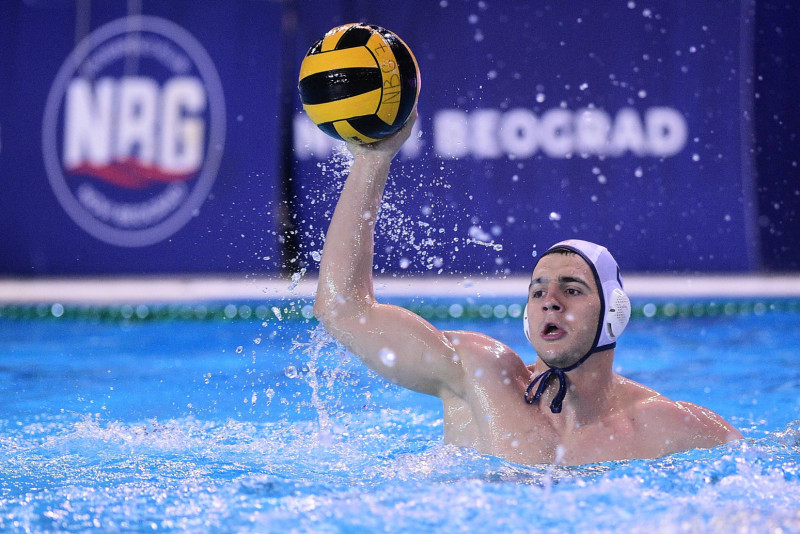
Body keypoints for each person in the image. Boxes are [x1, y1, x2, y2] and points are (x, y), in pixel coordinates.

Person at [312, 109, 742, 466]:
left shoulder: (665, 426)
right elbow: (342, 309)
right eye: (537, 292)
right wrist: (372, 161)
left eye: (572, 290)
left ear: (615, 312)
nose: (550, 302)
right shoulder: (478, 376)